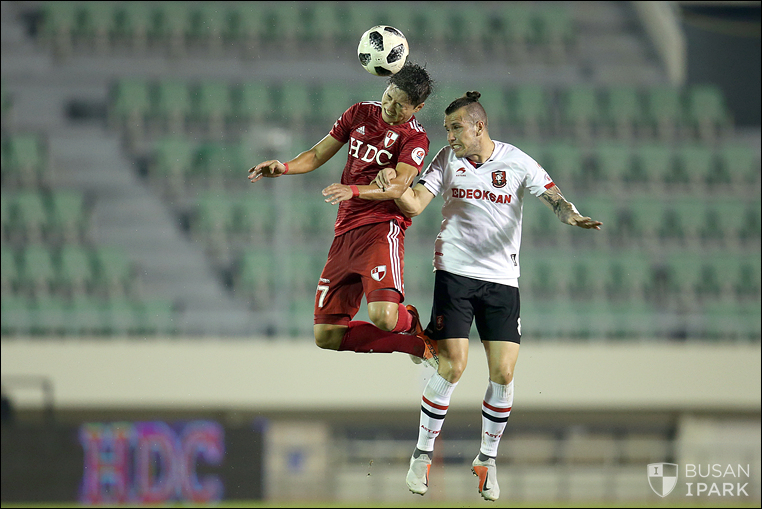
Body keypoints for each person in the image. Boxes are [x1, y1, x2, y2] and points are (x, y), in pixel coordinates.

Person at [372, 91, 602, 501]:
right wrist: (393, 188)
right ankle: (422, 455)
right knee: (453, 366)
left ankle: (487, 460)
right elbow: (416, 204)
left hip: (502, 281)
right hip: (455, 274)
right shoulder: (446, 159)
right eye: (447, 129)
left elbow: (553, 197)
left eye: (456, 128)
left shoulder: (517, 161)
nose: (450, 136)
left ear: (479, 126)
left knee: (504, 373)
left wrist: (570, 214)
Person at [248, 62, 438, 366]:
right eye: (389, 96)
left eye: (400, 105)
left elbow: (401, 185)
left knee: (383, 316)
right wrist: (284, 167)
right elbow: (316, 154)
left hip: (381, 229)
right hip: (345, 232)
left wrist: (354, 190)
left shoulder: (415, 138)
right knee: (326, 335)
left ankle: (409, 322)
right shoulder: (359, 112)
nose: (390, 107)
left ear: (417, 108)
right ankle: (416, 346)